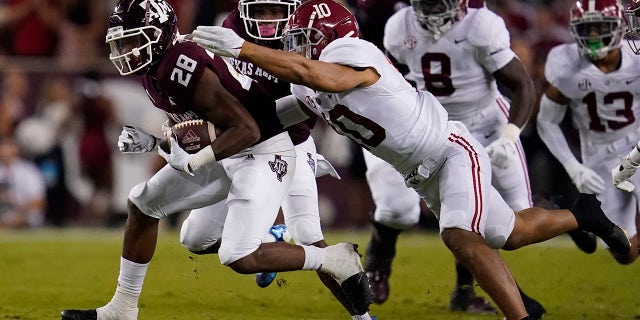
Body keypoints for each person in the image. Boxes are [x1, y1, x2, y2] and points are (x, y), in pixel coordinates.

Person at [191, 0, 631, 319]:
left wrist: (244, 50)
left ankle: (522, 317)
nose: (297, 49)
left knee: (461, 237)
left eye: (305, 40)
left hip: (450, 151)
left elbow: (314, 73)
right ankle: (581, 214)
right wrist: (210, 131)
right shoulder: (308, 83)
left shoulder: (351, 53)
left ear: (329, 38)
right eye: (295, 42)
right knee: (510, 234)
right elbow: (273, 117)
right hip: (421, 173)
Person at [60, 1, 371, 319]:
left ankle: (334, 263)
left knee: (244, 253)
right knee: (148, 207)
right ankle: (122, 309)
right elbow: (200, 127)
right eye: (123, 43)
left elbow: (246, 128)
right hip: (231, 147)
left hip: (264, 148)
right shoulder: (157, 65)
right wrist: (156, 142)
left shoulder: (181, 64)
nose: (129, 51)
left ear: (161, 34)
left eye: (135, 40)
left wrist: (195, 161)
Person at [360, 0, 549, 316]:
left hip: (484, 123)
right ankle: (379, 261)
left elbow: (521, 84)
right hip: (426, 126)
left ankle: (581, 218)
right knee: (400, 210)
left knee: (516, 220)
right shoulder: (398, 26)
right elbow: (387, 81)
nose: (432, 8)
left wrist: (509, 136)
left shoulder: (481, 25)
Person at [177, 0, 361, 317]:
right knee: (194, 238)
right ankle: (268, 239)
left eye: (275, 10)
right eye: (260, 10)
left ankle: (362, 315)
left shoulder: (305, 32)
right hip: (243, 146)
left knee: (309, 237)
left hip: (291, 140)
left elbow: (307, 106)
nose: (267, 18)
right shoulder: (230, 27)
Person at [538, 0, 640, 266]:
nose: (593, 36)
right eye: (587, 28)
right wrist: (573, 166)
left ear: (619, 28)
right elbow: (546, 121)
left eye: (600, 27)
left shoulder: (636, 57)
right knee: (624, 252)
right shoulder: (566, 64)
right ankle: (574, 221)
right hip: (599, 155)